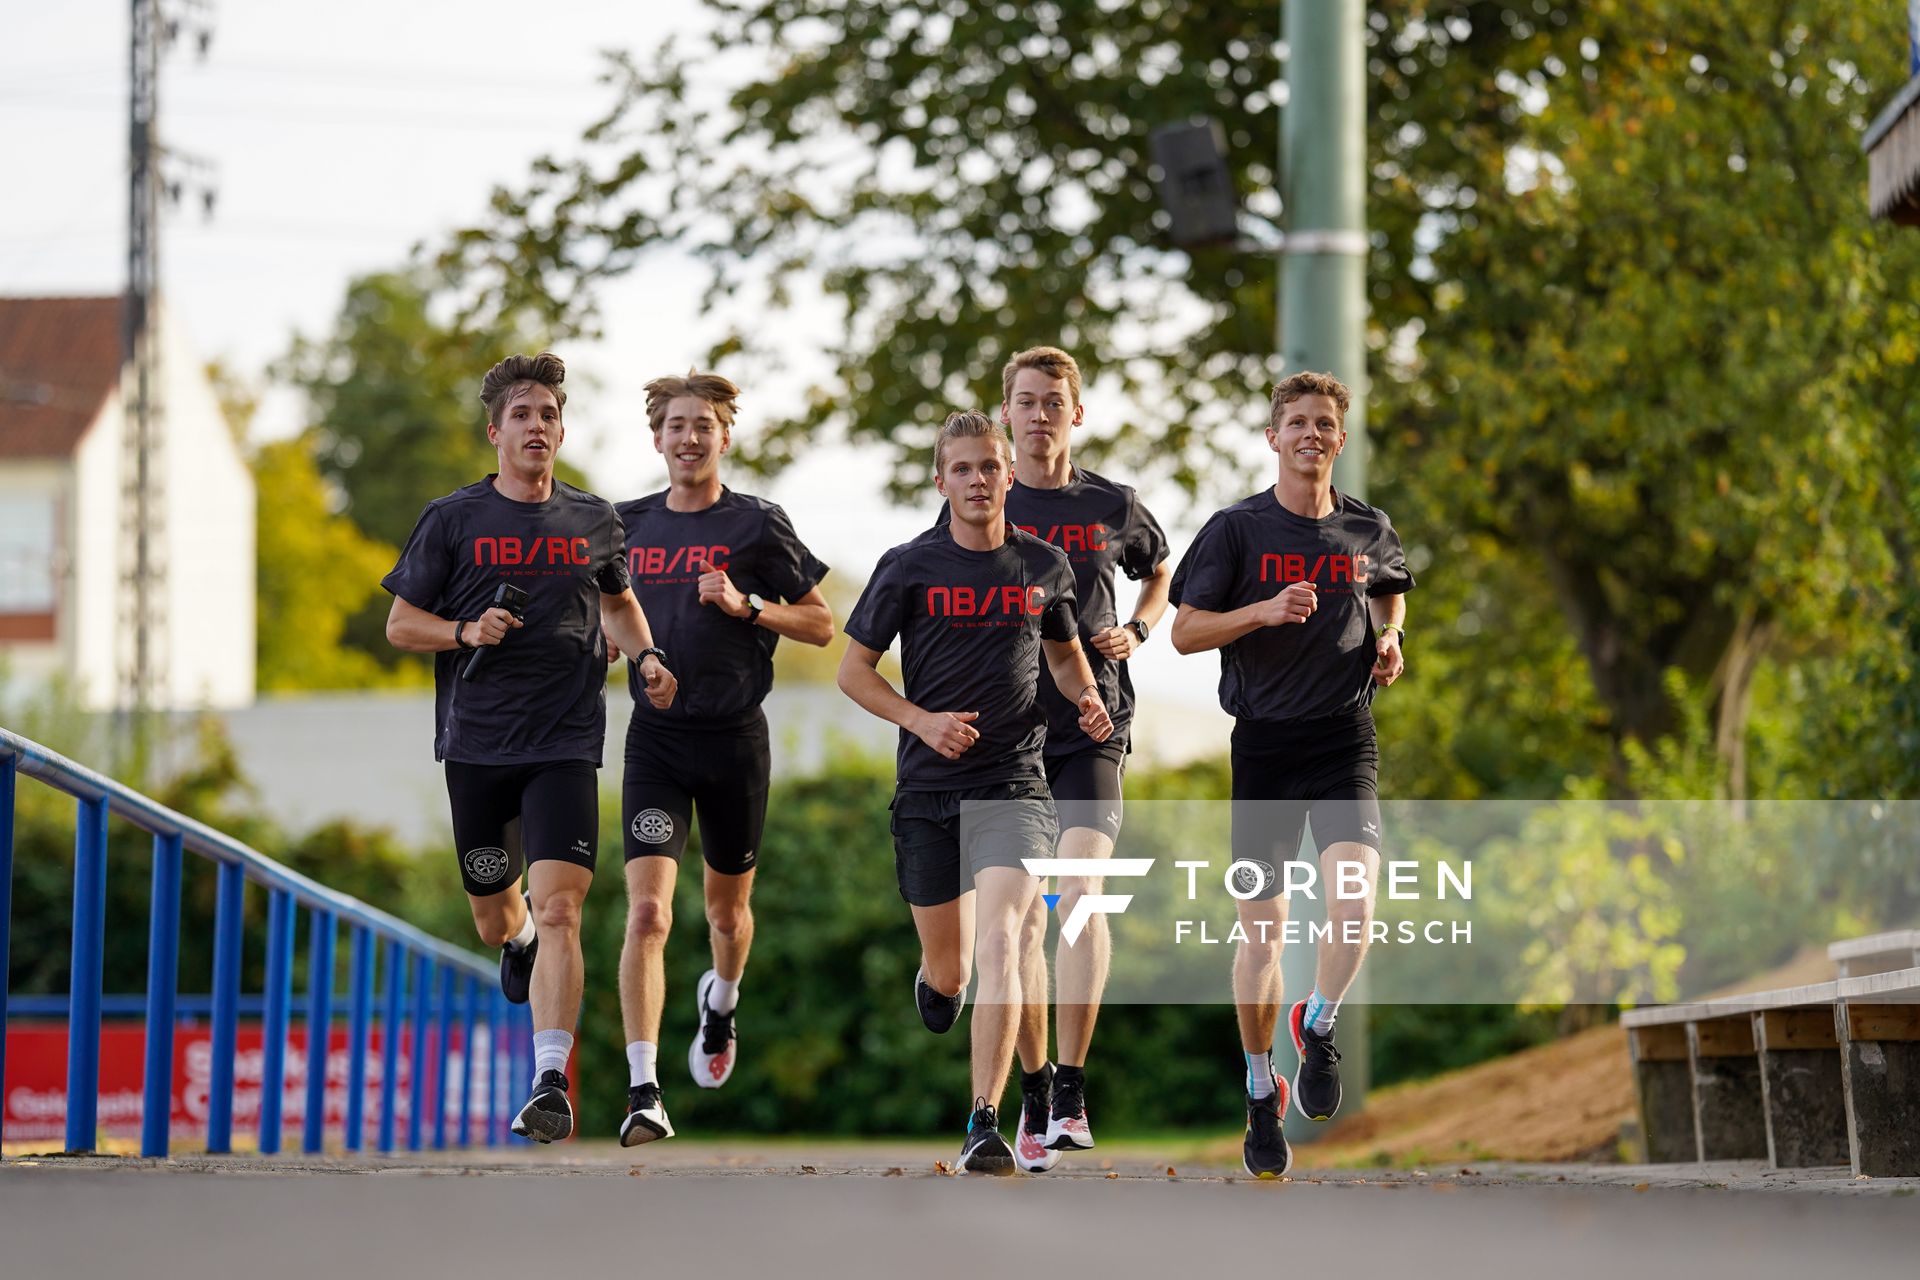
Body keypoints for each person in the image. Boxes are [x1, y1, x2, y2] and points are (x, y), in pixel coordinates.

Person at [382, 351, 678, 1144]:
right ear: (495, 433)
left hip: (564, 742)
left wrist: (646, 657)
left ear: (561, 429)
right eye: (523, 415)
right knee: (496, 913)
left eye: (549, 415)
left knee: (560, 907)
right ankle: (510, 944)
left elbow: (621, 608)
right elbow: (400, 624)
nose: (538, 427)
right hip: (477, 744)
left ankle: (550, 1080)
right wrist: (464, 630)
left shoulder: (594, 520)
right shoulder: (452, 520)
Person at [837, 410, 1114, 1174]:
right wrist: (920, 721)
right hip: (926, 789)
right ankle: (937, 979)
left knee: (1004, 939)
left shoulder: (1042, 565)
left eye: (990, 467)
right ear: (942, 482)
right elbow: (852, 672)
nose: (980, 481)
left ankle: (984, 1120)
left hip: (1014, 784)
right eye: (963, 469)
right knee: (955, 969)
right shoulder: (906, 567)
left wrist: (1087, 695)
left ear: (1007, 475)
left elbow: (1063, 657)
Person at [1167, 371, 1413, 1179]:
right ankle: (1256, 1086)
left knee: (1355, 899)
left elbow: (1388, 596)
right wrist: (1264, 611)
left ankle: (1320, 1022)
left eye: (1325, 424)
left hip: (1343, 738)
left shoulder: (1367, 528)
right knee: (1262, 933)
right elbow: (1186, 632)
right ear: (1273, 438)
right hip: (1264, 746)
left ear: (1341, 439)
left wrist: (1387, 638)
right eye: (1296, 422)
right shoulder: (1236, 531)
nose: (1311, 434)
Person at [937, 347, 1170, 1171]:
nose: (1038, 415)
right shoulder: (982, 498)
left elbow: (1159, 572)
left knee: (1082, 891)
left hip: (1092, 720)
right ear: (1007, 415)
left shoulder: (1112, 504)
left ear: (1077, 414)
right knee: (1021, 923)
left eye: (1052, 402)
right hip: (1008, 740)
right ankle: (1032, 1086)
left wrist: (1138, 629)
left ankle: (1070, 1084)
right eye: (1025, 402)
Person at [608, 370, 833, 1146]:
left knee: (726, 915)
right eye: (675, 425)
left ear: (724, 436)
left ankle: (721, 1003)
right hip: (656, 742)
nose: (689, 437)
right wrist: (623, 653)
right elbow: (605, 622)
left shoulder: (757, 525)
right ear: (657, 438)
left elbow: (821, 624)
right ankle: (644, 1089)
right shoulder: (626, 524)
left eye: (703, 424)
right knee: (648, 911)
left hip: (736, 739)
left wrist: (748, 605)